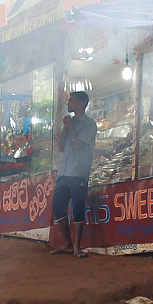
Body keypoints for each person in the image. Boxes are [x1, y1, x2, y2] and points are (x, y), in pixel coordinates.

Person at [50, 89, 97, 256]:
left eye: (71, 101)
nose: (68, 103)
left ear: (81, 103)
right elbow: (61, 148)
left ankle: (77, 246)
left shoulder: (89, 124)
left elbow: (78, 145)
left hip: (78, 172)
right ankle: (68, 243)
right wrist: (64, 130)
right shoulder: (71, 123)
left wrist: (70, 127)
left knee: (78, 208)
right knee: (57, 205)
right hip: (64, 172)